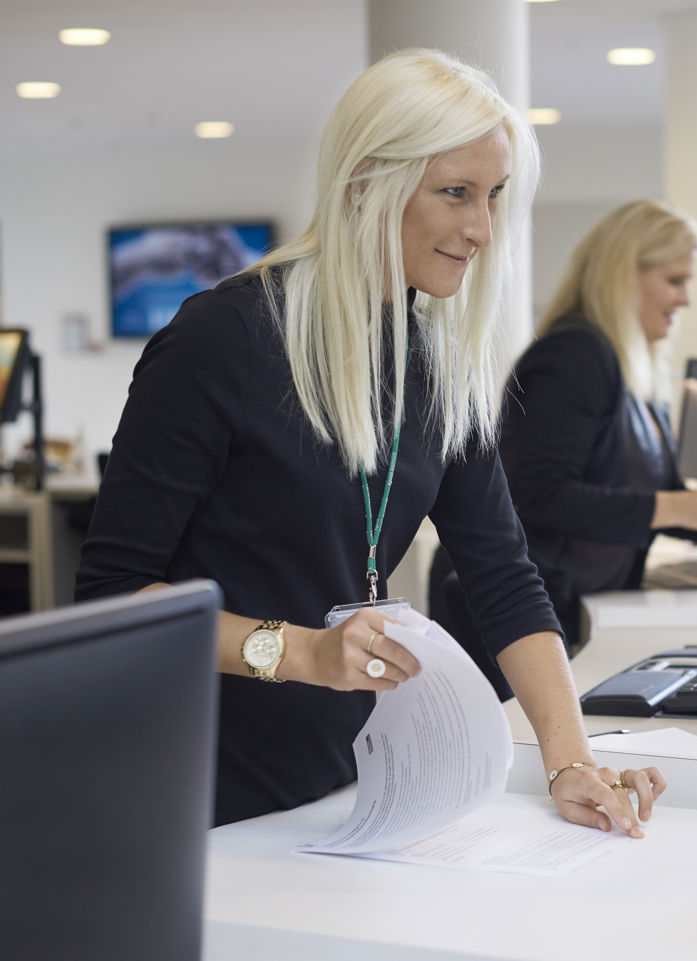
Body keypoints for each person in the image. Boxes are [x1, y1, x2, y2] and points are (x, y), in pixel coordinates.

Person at [76, 49, 663, 836]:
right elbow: (114, 595)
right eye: (455, 193)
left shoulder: (433, 362)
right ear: (364, 182)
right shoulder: (221, 339)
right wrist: (304, 653)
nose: (482, 229)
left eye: (493, 195)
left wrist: (570, 760)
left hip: (340, 788)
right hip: (197, 791)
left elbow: (504, 577)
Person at [433, 199, 697, 650]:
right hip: (517, 614)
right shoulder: (573, 356)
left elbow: (655, 496)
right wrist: (680, 508)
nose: (685, 299)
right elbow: (539, 496)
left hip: (571, 606)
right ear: (622, 277)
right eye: (674, 281)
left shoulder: (632, 368)